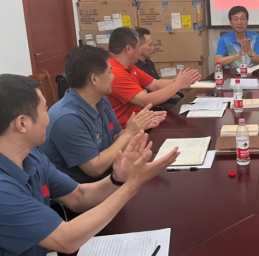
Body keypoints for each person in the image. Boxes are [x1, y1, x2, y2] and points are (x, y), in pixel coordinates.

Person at [0, 74, 180, 256]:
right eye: (45, 110)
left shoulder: (31, 156)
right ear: (22, 123)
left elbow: (79, 197)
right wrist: (132, 185)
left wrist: (119, 178)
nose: (49, 118)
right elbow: (67, 239)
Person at [40, 46, 166, 183]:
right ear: (94, 79)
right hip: (87, 189)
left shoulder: (101, 101)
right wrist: (129, 133)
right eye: (110, 72)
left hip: (111, 176)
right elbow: (95, 169)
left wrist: (137, 127)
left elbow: (117, 137)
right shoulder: (67, 118)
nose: (113, 77)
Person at [107, 28, 201, 128]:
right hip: (127, 129)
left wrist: (183, 80)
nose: (139, 51)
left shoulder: (130, 66)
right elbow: (145, 101)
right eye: (138, 47)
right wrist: (178, 84)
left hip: (142, 122)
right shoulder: (115, 72)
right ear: (129, 49)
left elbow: (155, 84)